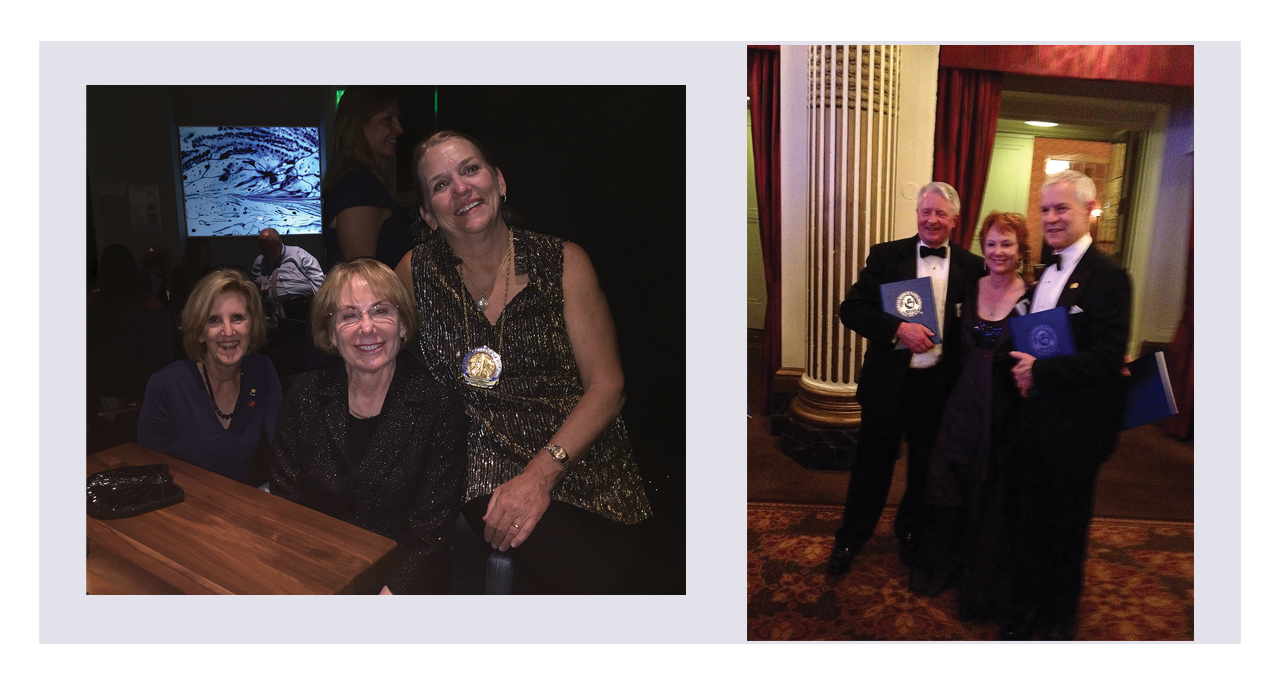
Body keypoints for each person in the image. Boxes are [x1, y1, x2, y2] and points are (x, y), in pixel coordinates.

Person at [396, 131, 653, 594]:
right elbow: (370, 345)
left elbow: (607, 386)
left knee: (620, 577)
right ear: (428, 215)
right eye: (439, 184)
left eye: (470, 169)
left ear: (499, 180)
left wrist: (540, 475)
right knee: (584, 581)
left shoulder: (564, 261)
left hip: (582, 459)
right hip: (484, 469)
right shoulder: (412, 274)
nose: (460, 188)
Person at [269, 258, 465, 594]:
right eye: (349, 315)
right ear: (331, 333)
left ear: (402, 324)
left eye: (380, 311)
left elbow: (430, 531)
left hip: (404, 585)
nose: (367, 327)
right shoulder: (303, 395)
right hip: (317, 575)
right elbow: (289, 503)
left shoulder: (438, 405)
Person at [827, 182, 985, 576]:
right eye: (925, 211)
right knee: (871, 466)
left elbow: (992, 316)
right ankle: (851, 537)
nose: (931, 219)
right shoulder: (887, 256)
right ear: (917, 214)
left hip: (938, 388)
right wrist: (899, 329)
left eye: (940, 214)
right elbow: (852, 310)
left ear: (955, 221)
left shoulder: (972, 266)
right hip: (890, 384)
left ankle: (911, 533)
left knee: (925, 468)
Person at [1001, 170, 1132, 640]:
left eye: (1061, 208)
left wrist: (1039, 371)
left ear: (1088, 211)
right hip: (1035, 421)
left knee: (1065, 531)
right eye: (1045, 209)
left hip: (1076, 431)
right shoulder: (1044, 273)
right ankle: (1025, 610)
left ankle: (1056, 622)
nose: (1051, 218)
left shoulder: (1111, 277)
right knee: (1029, 521)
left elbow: (1106, 357)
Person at [908, 212, 1032, 621]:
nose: (998, 252)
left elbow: (1052, 349)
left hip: (1004, 413)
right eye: (992, 243)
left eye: (1007, 244)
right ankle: (945, 562)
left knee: (991, 489)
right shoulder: (967, 286)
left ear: (1021, 249)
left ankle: (980, 578)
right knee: (948, 481)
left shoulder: (1034, 297)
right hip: (961, 407)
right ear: (982, 246)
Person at [137, 269, 281, 485]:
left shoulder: (262, 371)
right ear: (200, 332)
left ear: (252, 324)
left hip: (238, 498)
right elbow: (147, 469)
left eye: (237, 318)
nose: (228, 331)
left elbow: (284, 446)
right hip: (177, 501)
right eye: (214, 320)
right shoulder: (166, 385)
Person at [321, 86, 415, 270]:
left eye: (397, 119)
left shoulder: (360, 183)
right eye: (387, 119)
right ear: (358, 125)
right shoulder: (357, 186)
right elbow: (362, 277)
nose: (400, 129)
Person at [251, 227, 326, 319]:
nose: (263, 251)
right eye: (261, 247)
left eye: (267, 247)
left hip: (300, 307)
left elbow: (318, 280)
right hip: (271, 312)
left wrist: (321, 309)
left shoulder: (299, 254)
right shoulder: (259, 262)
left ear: (278, 244)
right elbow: (255, 289)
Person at [168, 237, 213, 314]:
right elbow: (177, 300)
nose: (210, 253)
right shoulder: (179, 273)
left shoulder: (209, 273)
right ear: (196, 252)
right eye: (207, 250)